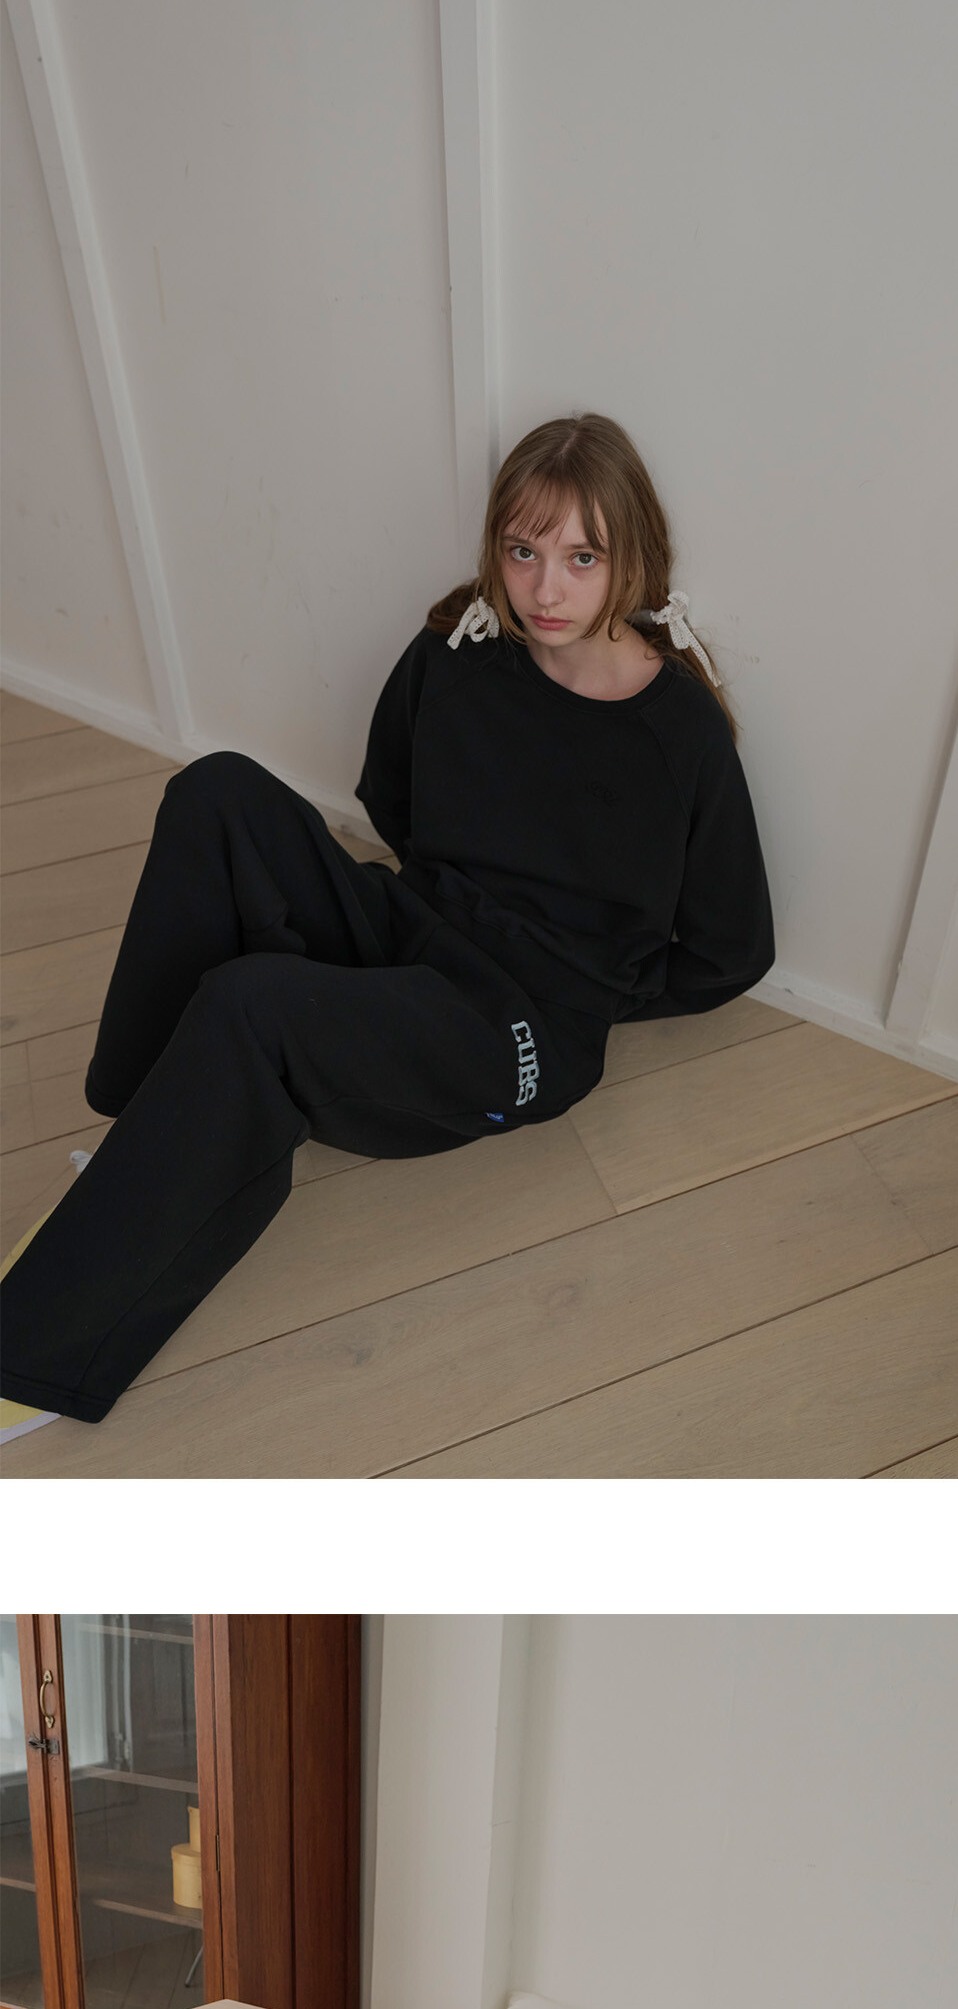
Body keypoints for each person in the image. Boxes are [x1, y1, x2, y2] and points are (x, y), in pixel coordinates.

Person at [0, 409, 774, 1433]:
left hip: (522, 1023)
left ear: (631, 557)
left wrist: (588, 996)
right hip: (419, 924)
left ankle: (33, 1353)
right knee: (216, 792)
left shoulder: (678, 731)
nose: (546, 588)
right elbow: (389, 795)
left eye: (582, 557)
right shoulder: (459, 648)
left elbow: (730, 951)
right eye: (524, 550)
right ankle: (145, 1122)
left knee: (252, 1006)